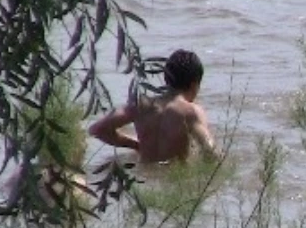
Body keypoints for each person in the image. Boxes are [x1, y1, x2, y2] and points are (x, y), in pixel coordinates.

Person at [88, 49, 216, 163]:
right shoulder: (190, 111)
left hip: (145, 178)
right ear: (194, 84)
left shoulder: (142, 106)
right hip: (174, 181)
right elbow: (211, 152)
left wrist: (136, 145)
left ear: (166, 79)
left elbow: (97, 130)